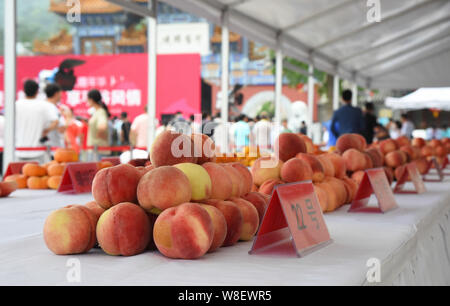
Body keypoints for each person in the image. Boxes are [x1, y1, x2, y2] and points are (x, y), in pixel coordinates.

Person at [15, 80, 58, 163]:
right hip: (39, 150)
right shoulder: (44, 105)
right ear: (37, 91)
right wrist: (46, 131)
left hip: (19, 150)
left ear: (24, 90)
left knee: (19, 175)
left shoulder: (16, 105)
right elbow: (55, 121)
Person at [87, 89, 110, 158]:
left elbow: (102, 127)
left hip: (97, 150)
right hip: (95, 149)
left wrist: (97, 137)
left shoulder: (100, 112)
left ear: (91, 99)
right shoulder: (97, 112)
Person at [43, 83, 64, 149]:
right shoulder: (51, 107)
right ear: (56, 94)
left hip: (48, 146)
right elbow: (60, 128)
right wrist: (68, 119)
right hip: (53, 147)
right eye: (60, 93)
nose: (61, 96)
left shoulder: (44, 105)